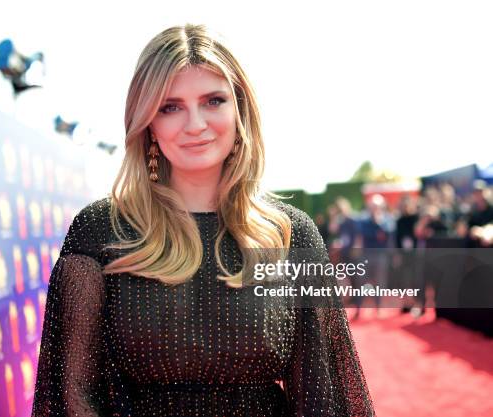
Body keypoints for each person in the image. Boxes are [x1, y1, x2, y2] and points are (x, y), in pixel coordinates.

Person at [32, 24, 374, 417]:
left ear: (240, 110)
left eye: (213, 101)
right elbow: (69, 395)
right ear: (149, 124)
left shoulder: (292, 234)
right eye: (170, 107)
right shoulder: (100, 231)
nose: (195, 124)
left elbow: (324, 395)